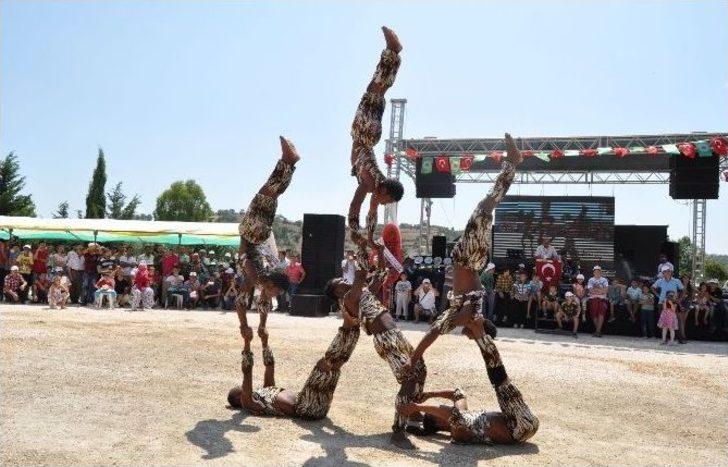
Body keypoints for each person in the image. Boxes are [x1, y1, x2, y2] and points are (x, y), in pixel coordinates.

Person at [323, 248, 426, 450]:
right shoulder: (349, 300)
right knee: (409, 379)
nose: (345, 282)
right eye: (340, 284)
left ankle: (412, 413)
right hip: (386, 339)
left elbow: (379, 276)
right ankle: (398, 432)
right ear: (337, 294)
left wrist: (379, 252)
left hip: (396, 334)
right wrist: (362, 246)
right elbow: (362, 275)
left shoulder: (360, 292)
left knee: (420, 368)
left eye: (343, 280)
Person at [398, 313, 538, 445]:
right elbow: (451, 414)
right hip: (519, 428)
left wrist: (429, 394)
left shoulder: (463, 415)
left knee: (499, 381)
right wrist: (416, 407)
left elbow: (459, 393)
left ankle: (480, 335)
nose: (445, 408)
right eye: (437, 415)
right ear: (440, 424)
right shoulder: (458, 431)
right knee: (501, 382)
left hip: (524, 420)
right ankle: (480, 333)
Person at [228, 302, 360, 420]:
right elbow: (247, 373)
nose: (244, 387)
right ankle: (348, 326)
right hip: (306, 408)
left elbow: (269, 366)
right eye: (241, 389)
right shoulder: (248, 403)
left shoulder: (266, 391)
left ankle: (353, 329)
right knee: (324, 365)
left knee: (336, 366)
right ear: (237, 398)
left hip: (319, 405)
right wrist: (246, 344)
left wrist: (264, 342)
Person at [347, 27, 405, 250]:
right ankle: (392, 52)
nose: (384, 204)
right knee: (375, 90)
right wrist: (354, 231)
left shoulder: (376, 187)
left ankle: (393, 54)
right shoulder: (370, 183)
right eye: (387, 201)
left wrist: (370, 238)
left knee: (377, 92)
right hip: (364, 134)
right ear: (384, 192)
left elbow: (371, 213)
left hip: (369, 135)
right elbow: (355, 205)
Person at [235, 137, 297, 342]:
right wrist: (245, 325)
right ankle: (288, 161)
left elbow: (255, 303)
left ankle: (289, 163)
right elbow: (241, 301)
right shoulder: (256, 277)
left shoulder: (263, 277)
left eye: (275, 293)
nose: (272, 296)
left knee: (271, 194)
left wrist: (260, 325)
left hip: (257, 233)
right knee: (267, 193)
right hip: (252, 233)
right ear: (270, 283)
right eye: (274, 292)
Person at [587, 265, 609, 337]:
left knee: (601, 314)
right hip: (593, 299)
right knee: (593, 315)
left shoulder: (604, 280)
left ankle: (598, 331)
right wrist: (600, 291)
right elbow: (590, 290)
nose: (597, 272)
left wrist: (596, 291)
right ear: (593, 272)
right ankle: (598, 331)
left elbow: (605, 290)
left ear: (600, 272)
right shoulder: (591, 280)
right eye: (595, 271)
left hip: (602, 299)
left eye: (598, 271)